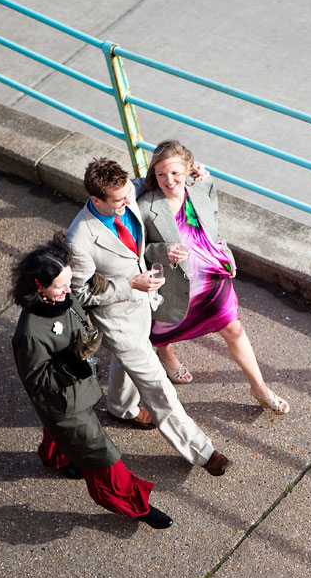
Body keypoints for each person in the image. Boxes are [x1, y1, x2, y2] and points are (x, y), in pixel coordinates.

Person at [65, 158, 230, 476]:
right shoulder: (79, 239)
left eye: (127, 193)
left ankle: (121, 408)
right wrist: (129, 284)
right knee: (158, 387)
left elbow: (149, 179)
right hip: (118, 319)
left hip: (145, 304)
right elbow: (84, 294)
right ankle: (202, 451)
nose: (128, 202)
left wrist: (192, 174)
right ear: (96, 199)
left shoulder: (129, 190)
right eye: (118, 201)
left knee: (127, 361)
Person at [10, 235, 173, 529]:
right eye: (60, 286)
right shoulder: (30, 333)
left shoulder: (63, 296)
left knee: (62, 437)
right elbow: (37, 381)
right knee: (101, 453)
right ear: (38, 286)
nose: (67, 290)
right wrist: (74, 358)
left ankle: (56, 457)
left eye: (68, 281)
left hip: (78, 390)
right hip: (63, 404)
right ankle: (136, 505)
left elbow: (81, 308)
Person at [134, 139, 290, 414]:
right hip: (175, 285)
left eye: (175, 172)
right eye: (161, 174)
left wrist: (224, 253)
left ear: (188, 168)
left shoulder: (203, 185)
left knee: (233, 328)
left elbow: (214, 222)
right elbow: (138, 251)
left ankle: (259, 387)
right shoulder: (146, 206)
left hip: (211, 278)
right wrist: (163, 251)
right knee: (162, 333)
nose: (168, 180)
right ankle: (166, 353)